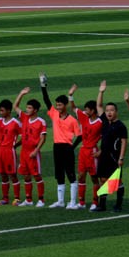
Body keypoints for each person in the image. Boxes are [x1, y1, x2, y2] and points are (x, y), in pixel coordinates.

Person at [40, 73, 81, 208]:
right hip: (57, 147)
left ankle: (73, 202)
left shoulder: (72, 120)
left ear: (65, 105)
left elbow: (80, 135)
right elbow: (46, 101)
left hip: (67, 148)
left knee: (70, 173)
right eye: (56, 105)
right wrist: (43, 86)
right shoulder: (54, 114)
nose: (57, 107)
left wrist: (72, 147)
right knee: (59, 174)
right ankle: (61, 201)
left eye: (60, 105)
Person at [70, 84, 104, 210]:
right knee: (81, 176)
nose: (85, 111)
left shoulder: (100, 123)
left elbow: (106, 137)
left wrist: (101, 151)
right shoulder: (84, 118)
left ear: (93, 110)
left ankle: (95, 202)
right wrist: (70, 95)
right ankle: (82, 202)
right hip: (83, 150)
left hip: (93, 151)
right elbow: (73, 108)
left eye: (87, 110)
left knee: (94, 178)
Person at [94, 81, 128, 211]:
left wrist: (121, 158)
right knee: (103, 179)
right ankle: (102, 205)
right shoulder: (104, 121)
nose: (109, 112)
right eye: (107, 110)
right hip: (104, 156)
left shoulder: (121, 126)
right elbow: (98, 105)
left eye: (112, 110)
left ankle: (118, 204)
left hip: (114, 157)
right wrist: (101, 92)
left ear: (116, 112)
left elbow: (124, 142)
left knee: (117, 181)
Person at [13, 87, 47, 206]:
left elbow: (43, 138)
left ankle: (41, 200)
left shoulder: (41, 122)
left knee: (37, 175)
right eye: (27, 107)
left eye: (29, 108)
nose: (27, 110)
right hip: (24, 152)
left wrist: (36, 151)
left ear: (36, 110)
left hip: (33, 152)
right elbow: (15, 106)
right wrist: (21, 93)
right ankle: (28, 199)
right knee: (26, 176)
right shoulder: (24, 117)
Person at [0, 99, 22, 205]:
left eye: (2, 110)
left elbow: (24, 136)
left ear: (8, 111)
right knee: (3, 174)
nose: (0, 112)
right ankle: (5, 198)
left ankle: (17, 198)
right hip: (1, 151)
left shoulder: (16, 123)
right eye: (0, 110)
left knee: (12, 174)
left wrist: (15, 145)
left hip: (9, 151)